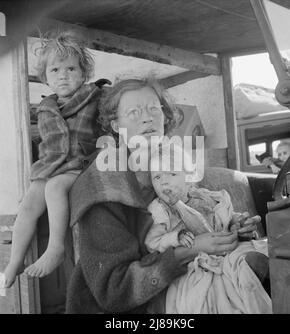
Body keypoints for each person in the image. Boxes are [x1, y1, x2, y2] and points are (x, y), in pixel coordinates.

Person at [65, 78, 261, 314]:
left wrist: (230, 229)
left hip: (191, 276)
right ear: (116, 126)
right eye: (134, 112)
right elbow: (114, 290)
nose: (147, 118)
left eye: (153, 109)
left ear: (165, 116)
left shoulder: (177, 168)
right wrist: (189, 250)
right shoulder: (102, 185)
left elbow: (201, 222)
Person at [3, 30, 108, 288]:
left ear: (84, 73)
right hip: (50, 166)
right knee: (28, 204)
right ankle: (14, 261)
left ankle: (56, 247)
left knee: (55, 187)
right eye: (55, 70)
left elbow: (110, 120)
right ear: (45, 77)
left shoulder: (95, 97)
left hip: (80, 164)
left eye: (71, 69)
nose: (63, 74)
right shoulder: (45, 107)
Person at [145, 144, 271, 313]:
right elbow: (153, 243)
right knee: (208, 292)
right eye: (157, 177)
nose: (164, 181)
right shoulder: (160, 210)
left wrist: (238, 223)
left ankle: (260, 274)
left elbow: (225, 217)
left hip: (228, 250)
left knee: (261, 253)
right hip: (196, 263)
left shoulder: (205, 196)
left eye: (172, 174)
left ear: (189, 175)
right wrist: (176, 237)